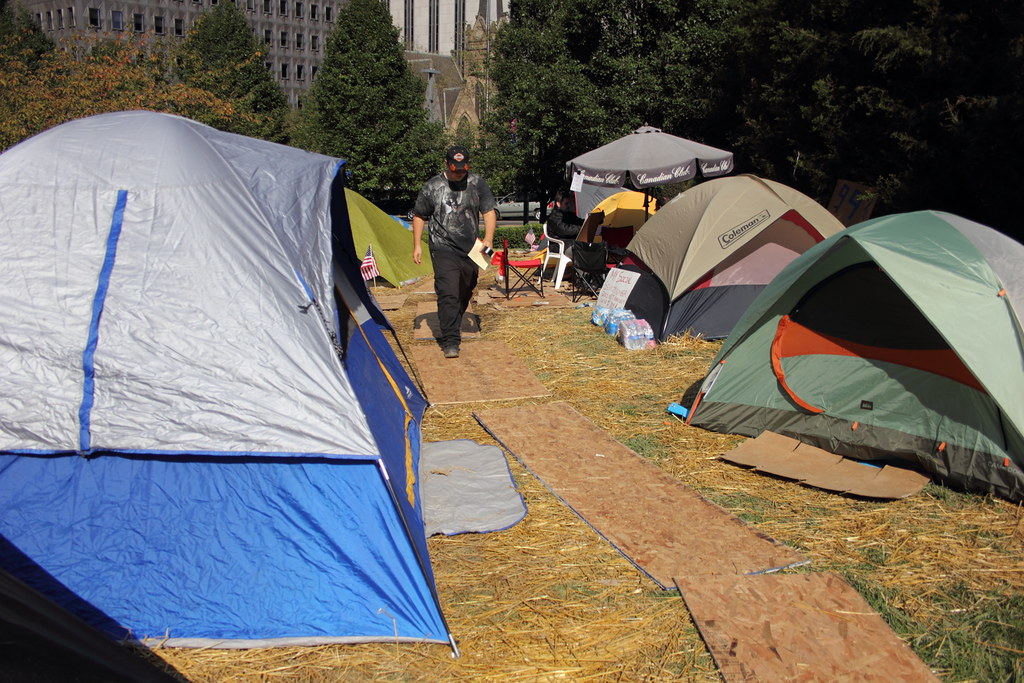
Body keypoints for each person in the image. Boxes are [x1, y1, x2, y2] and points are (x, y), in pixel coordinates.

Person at [411, 146, 496, 359]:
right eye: (455, 169)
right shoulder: (432, 186)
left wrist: (488, 239)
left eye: (462, 169)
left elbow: (488, 211)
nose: (459, 173)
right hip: (442, 247)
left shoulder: (477, 183)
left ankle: (452, 319)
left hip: (471, 248)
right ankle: (450, 340)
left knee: (466, 288)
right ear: (447, 164)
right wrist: (417, 245)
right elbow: (419, 215)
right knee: (448, 291)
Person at [543, 190, 584, 258]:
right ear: (558, 204)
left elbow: (579, 222)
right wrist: (581, 228)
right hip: (558, 246)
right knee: (583, 251)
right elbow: (564, 230)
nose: (569, 206)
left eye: (569, 203)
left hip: (569, 243)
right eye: (566, 203)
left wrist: (588, 221)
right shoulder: (554, 217)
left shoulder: (568, 214)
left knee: (589, 248)